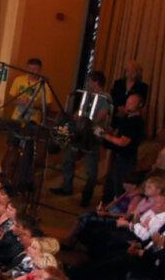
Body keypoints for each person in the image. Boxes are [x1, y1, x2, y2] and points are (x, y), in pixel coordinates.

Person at [51, 70, 109, 202]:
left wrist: (86, 122)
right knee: (68, 159)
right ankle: (66, 186)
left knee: (91, 166)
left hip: (92, 135)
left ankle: (87, 194)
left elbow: (100, 116)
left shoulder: (105, 97)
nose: (88, 83)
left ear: (96, 82)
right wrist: (74, 119)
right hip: (79, 132)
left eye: (90, 81)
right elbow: (80, 111)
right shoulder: (88, 95)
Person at [101, 92, 146, 203]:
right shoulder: (127, 118)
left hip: (126, 160)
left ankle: (116, 214)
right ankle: (104, 209)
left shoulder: (136, 122)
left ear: (139, 105)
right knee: (110, 185)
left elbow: (123, 142)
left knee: (119, 188)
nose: (127, 104)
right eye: (127, 102)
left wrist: (104, 135)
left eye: (131, 103)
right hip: (119, 157)